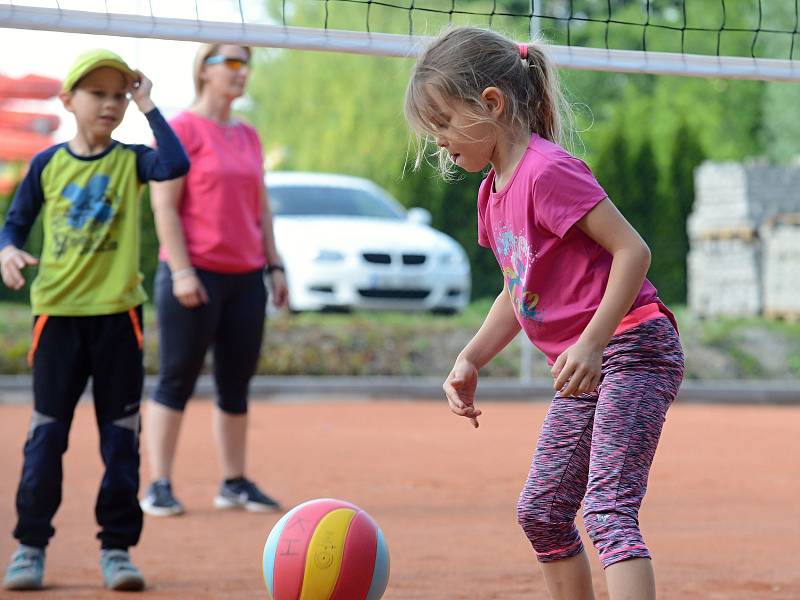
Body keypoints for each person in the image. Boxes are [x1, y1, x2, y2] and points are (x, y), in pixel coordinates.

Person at [404, 27, 685, 600]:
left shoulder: (547, 171)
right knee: (543, 512)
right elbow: (518, 288)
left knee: (608, 508)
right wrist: (470, 357)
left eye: (443, 124)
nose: (439, 144)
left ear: (490, 103)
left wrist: (591, 341)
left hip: (633, 346)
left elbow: (633, 250)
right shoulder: (492, 193)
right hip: (584, 363)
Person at [0, 49, 190, 592]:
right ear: (68, 101)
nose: (109, 104)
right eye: (97, 94)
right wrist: (8, 252)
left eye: (118, 95)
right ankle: (30, 547)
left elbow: (175, 164)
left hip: (117, 321)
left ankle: (116, 550)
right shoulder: (46, 164)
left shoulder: (131, 160)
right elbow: (12, 226)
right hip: (57, 319)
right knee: (46, 438)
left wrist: (149, 105)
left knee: (118, 442)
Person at [139, 43, 288, 518]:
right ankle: (158, 484)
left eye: (246, 64)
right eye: (231, 62)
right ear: (204, 69)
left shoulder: (248, 135)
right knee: (176, 378)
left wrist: (275, 265)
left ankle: (234, 483)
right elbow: (164, 205)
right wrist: (181, 270)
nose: (242, 72)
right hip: (193, 273)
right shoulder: (181, 129)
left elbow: (260, 206)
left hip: (245, 276)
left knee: (235, 383)